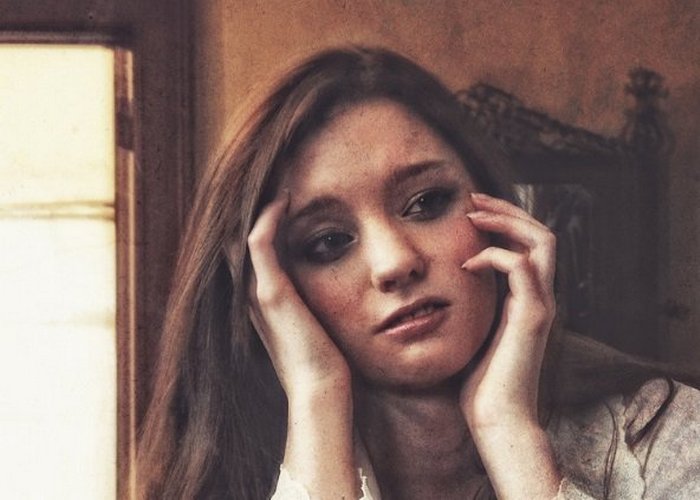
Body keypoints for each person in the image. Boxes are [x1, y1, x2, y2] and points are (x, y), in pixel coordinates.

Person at [137, 46, 700, 499]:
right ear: (270, 289)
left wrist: (509, 432)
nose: (395, 262)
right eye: (329, 242)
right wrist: (317, 400)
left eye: (427, 203)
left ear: (496, 210)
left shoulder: (664, 434)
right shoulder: (221, 481)